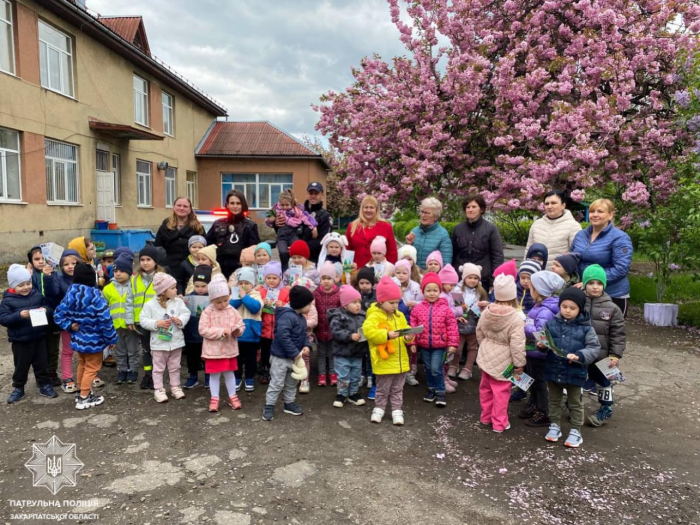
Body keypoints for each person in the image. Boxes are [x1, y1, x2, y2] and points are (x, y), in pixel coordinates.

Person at [53, 263, 117, 410]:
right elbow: (106, 321)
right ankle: (84, 397)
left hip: (78, 340)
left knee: (82, 364)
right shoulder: (96, 298)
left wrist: (69, 325)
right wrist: (111, 339)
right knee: (92, 368)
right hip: (94, 341)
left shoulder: (70, 295)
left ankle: (82, 391)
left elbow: (57, 315)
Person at [543, 288, 601, 448]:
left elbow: (594, 348)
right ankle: (554, 425)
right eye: (564, 306)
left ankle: (576, 430)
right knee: (554, 399)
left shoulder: (586, 328)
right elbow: (544, 342)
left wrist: (580, 356)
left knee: (575, 402)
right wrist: (541, 345)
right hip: (553, 369)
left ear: (580, 309)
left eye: (572, 308)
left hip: (575, 371)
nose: (567, 310)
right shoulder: (551, 324)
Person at [0, 264, 58, 403]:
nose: (26, 287)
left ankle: (44, 385)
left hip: (39, 337)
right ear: (13, 286)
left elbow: (49, 308)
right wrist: (19, 315)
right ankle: (18, 388)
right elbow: (3, 319)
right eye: (21, 285)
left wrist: (45, 310)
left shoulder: (36, 294)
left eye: (28, 283)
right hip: (20, 340)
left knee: (42, 363)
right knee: (21, 365)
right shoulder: (7, 301)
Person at [476, 274, 526, 433]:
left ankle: (485, 417)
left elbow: (479, 332)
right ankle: (499, 423)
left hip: (486, 353)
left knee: (485, 388)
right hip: (505, 359)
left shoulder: (486, 311)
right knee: (501, 392)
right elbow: (517, 344)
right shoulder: (516, 318)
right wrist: (519, 363)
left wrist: (484, 347)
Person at [363, 276, 416, 425]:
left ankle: (397, 411)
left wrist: (408, 337)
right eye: (391, 303)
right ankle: (378, 409)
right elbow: (368, 332)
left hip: (400, 361)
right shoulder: (374, 316)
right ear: (381, 301)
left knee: (398, 389)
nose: (395, 306)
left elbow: (404, 332)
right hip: (384, 359)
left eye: (397, 302)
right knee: (382, 389)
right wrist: (385, 335)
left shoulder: (399, 316)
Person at [570, 199, 633, 316]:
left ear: (610, 215)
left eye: (600, 211)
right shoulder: (581, 235)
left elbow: (621, 268)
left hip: (612, 294)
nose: (595, 215)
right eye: (592, 211)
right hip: (584, 293)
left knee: (608, 332)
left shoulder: (620, 238)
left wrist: (590, 281)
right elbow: (573, 259)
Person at [582, 264, 626, 427]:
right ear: (584, 283)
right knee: (577, 380)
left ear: (604, 285)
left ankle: (605, 409)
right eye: (591, 282)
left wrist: (615, 355)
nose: (595, 286)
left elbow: (618, 334)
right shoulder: (578, 303)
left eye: (599, 283)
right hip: (581, 353)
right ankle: (574, 407)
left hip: (602, 356)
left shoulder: (612, 308)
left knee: (603, 382)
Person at [520, 271, 566, 427]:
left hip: (539, 354)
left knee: (539, 382)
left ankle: (543, 411)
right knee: (532, 380)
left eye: (531, 288)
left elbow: (540, 332)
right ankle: (533, 404)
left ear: (539, 291)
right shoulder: (540, 305)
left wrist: (524, 325)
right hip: (532, 351)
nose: (529, 290)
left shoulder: (545, 310)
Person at [262, 286, 315, 421]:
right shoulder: (286, 317)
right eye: (308, 304)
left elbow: (303, 335)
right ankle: (269, 405)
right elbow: (282, 336)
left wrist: (306, 345)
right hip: (280, 357)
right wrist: (294, 352)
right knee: (277, 382)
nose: (310, 307)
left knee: (292, 382)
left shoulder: (301, 318)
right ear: (300, 304)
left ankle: (289, 403)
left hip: (294, 358)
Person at [139, 273, 191, 403]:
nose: (176, 290)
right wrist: (157, 324)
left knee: (175, 367)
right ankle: (159, 389)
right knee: (158, 368)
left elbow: (186, 313)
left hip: (176, 342)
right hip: (159, 343)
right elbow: (143, 320)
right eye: (172, 288)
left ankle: (175, 387)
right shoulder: (150, 304)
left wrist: (180, 321)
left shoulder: (178, 302)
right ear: (163, 291)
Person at [410, 273, 459, 408]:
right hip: (424, 345)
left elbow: (452, 327)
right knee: (427, 368)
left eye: (435, 290)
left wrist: (452, 344)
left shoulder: (446, 309)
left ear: (439, 291)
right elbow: (413, 326)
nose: (432, 293)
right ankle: (431, 389)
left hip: (439, 345)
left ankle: (440, 391)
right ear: (423, 291)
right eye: (428, 290)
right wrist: (412, 342)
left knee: (436, 369)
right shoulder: (417, 309)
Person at [198, 276, 246, 412]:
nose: (223, 304)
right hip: (213, 351)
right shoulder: (207, 312)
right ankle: (215, 397)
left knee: (230, 373)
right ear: (212, 300)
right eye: (218, 302)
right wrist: (220, 332)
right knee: (214, 375)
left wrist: (238, 331)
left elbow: (241, 324)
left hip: (229, 349)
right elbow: (203, 330)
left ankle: (232, 395)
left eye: (225, 300)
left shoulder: (232, 311)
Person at [126, 244, 164, 391]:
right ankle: (148, 374)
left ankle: (157, 376)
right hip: (141, 322)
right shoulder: (134, 280)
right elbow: (129, 301)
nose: (145, 262)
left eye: (149, 259)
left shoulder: (162, 278)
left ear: (155, 261)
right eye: (142, 259)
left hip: (157, 322)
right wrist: (129, 320)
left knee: (158, 350)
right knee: (146, 350)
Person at [451, 194, 504, 291]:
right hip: (460, 280)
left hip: (482, 281)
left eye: (474, 207)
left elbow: (497, 256)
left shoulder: (490, 229)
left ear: (481, 209)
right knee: (458, 305)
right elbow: (453, 254)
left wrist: (493, 281)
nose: (470, 210)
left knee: (480, 306)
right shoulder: (458, 229)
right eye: (468, 207)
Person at [103, 252, 140, 385]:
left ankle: (133, 370)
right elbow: (104, 306)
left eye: (122, 271)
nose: (118, 273)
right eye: (116, 270)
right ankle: (122, 370)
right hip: (115, 325)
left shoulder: (134, 286)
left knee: (133, 349)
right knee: (119, 350)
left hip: (130, 325)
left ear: (129, 272)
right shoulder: (108, 288)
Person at [206, 189, 260, 279]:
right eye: (232, 203)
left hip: (241, 270)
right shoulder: (217, 224)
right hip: (218, 270)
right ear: (227, 204)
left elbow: (255, 250)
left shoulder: (250, 226)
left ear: (243, 205)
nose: (235, 206)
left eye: (238, 203)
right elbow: (207, 246)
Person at [26, 246, 61, 386]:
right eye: (36, 259)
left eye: (43, 258)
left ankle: (52, 372)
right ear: (30, 261)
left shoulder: (54, 274)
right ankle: (42, 374)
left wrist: (48, 277)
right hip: (38, 316)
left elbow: (55, 292)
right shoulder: (29, 276)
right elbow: (30, 294)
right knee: (40, 347)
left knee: (53, 347)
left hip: (52, 315)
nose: (41, 261)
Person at [328, 285, 368, 408]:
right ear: (345, 304)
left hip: (358, 352)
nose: (358, 305)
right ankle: (341, 394)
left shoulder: (363, 315)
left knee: (356, 375)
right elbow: (335, 331)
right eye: (354, 302)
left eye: (359, 302)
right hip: (342, 353)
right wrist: (350, 336)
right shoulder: (338, 316)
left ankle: (353, 393)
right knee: (343, 375)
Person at [525, 190, 582, 270]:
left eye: (553, 203)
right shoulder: (537, 225)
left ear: (563, 205)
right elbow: (528, 250)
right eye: (547, 204)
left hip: (559, 277)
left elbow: (575, 255)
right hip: (535, 274)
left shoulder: (573, 226)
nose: (549, 206)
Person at [451, 263, 488, 381]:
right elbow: (455, 308)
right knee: (457, 347)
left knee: (472, 347)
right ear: (464, 277)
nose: (472, 280)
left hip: (475, 323)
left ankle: (468, 368)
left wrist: (483, 307)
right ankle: (454, 365)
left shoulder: (481, 292)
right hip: (460, 323)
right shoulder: (457, 290)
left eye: (475, 278)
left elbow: (485, 309)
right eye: (470, 277)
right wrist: (458, 314)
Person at [155, 197, 205, 284]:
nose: (181, 208)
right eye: (179, 205)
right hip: (169, 270)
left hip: (191, 270)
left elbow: (205, 250)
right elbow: (158, 247)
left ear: (190, 209)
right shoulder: (165, 227)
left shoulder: (197, 228)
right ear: (174, 208)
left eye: (185, 206)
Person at [266, 189, 318, 271]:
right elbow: (268, 220)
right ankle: (284, 268)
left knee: (296, 250)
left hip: (293, 234)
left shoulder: (296, 210)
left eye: (287, 205)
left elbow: (306, 217)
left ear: (291, 203)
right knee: (283, 252)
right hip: (281, 236)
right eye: (282, 205)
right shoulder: (275, 210)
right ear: (279, 203)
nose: (285, 207)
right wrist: (270, 220)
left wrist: (313, 227)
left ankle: (297, 267)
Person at [230, 267, 264, 392]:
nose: (243, 286)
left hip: (252, 333)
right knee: (237, 358)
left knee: (251, 359)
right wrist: (239, 296)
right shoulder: (233, 296)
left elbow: (255, 308)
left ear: (252, 284)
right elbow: (230, 307)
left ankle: (249, 378)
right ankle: (237, 378)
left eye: (246, 283)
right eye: (240, 283)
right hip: (237, 333)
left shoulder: (256, 295)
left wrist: (244, 297)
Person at [345, 196, 398, 268]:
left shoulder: (386, 226)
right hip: (357, 271)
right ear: (362, 209)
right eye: (366, 207)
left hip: (379, 272)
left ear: (376, 210)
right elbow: (347, 250)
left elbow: (392, 252)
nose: (368, 210)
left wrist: (391, 271)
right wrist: (347, 271)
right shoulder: (352, 226)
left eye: (371, 207)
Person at [259, 261, 289, 386]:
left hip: (278, 330)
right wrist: (262, 304)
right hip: (264, 330)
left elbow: (291, 308)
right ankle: (264, 372)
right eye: (268, 278)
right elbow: (255, 309)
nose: (271, 281)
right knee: (265, 352)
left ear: (280, 278)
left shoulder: (285, 292)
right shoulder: (261, 292)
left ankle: (277, 373)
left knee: (277, 353)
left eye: (274, 278)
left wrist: (283, 305)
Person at [394, 260, 423, 386]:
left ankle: (410, 372)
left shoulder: (415, 286)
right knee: (398, 348)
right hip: (396, 324)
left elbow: (423, 301)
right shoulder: (392, 283)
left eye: (404, 273)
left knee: (412, 348)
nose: (401, 275)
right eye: (398, 272)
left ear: (409, 273)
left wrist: (415, 304)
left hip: (411, 321)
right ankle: (398, 373)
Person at [183, 265, 212, 389]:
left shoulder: (213, 298)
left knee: (207, 356)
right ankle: (193, 376)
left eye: (203, 286)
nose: (200, 289)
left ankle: (208, 376)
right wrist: (182, 303)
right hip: (191, 333)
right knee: (192, 356)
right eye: (197, 286)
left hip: (207, 334)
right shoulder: (189, 297)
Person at [313, 262, 342, 386]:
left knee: (332, 353)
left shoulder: (339, 293)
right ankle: (322, 374)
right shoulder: (315, 293)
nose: (326, 281)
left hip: (332, 329)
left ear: (334, 279)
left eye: (329, 278)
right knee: (321, 353)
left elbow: (341, 310)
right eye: (323, 278)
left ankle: (333, 373)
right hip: (320, 328)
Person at [404, 197, 453, 269]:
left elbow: (446, 263)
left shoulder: (443, 234)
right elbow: (406, 257)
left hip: (432, 277)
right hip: (414, 276)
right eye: (422, 212)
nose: (423, 215)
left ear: (435, 216)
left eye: (427, 213)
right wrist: (408, 244)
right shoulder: (414, 231)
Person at [355, 266, 377, 396]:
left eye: (367, 283)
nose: (364, 286)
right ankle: (362, 374)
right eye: (361, 283)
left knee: (370, 354)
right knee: (361, 353)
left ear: (372, 284)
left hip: (371, 328)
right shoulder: (356, 296)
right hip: (359, 328)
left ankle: (370, 375)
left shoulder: (375, 297)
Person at [300, 182, 333, 263]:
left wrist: (301, 247)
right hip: (296, 258)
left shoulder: (325, 216)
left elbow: (323, 240)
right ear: (307, 194)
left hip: (314, 260)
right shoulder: (299, 212)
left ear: (322, 195)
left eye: (316, 193)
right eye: (311, 193)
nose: (313, 196)